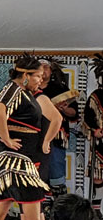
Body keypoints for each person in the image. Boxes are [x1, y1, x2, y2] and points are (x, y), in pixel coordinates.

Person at [0, 54, 58, 220]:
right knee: (31, 193)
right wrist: (6, 138)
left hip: (16, 153)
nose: (41, 80)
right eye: (38, 76)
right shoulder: (14, 89)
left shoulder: (23, 92)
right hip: (11, 154)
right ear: (25, 75)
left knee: (7, 195)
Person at [38, 59, 79, 197]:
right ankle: (41, 210)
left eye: (46, 67)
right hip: (35, 138)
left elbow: (74, 114)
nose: (43, 70)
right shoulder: (30, 89)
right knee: (37, 173)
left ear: (51, 71)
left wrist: (64, 109)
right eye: (40, 67)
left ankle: (59, 208)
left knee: (56, 171)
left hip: (56, 137)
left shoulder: (60, 88)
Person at [83, 53, 103, 203]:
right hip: (99, 141)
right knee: (98, 174)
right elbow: (87, 119)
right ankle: (96, 208)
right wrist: (94, 130)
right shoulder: (95, 96)